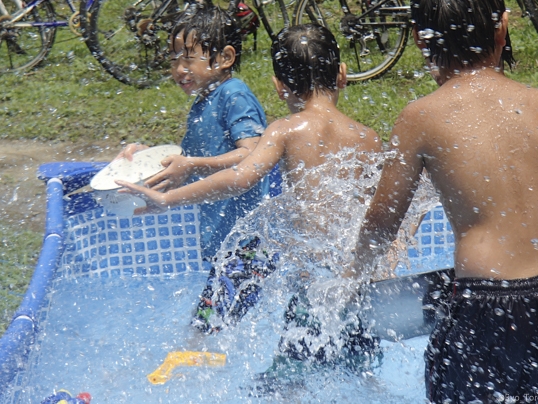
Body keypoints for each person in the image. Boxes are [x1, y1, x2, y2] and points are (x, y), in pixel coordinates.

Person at [350, 0, 538, 402]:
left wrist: (349, 279)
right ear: (503, 27)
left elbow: (381, 223)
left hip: (486, 301)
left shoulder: (418, 118)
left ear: (420, 39)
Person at [116, 24, 383, 361]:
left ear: (279, 87)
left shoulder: (286, 129)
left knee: (286, 386)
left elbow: (241, 178)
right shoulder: (368, 137)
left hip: (313, 288)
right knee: (360, 371)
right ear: (342, 74)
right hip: (357, 287)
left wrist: (169, 199)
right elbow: (379, 216)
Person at [116, 5, 270, 261]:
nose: (178, 69)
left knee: (219, 301)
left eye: (188, 58)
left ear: (225, 58)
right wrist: (147, 156)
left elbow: (251, 157)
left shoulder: (235, 95)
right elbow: (191, 159)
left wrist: (190, 165)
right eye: (173, 59)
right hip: (221, 239)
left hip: (245, 240)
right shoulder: (204, 100)